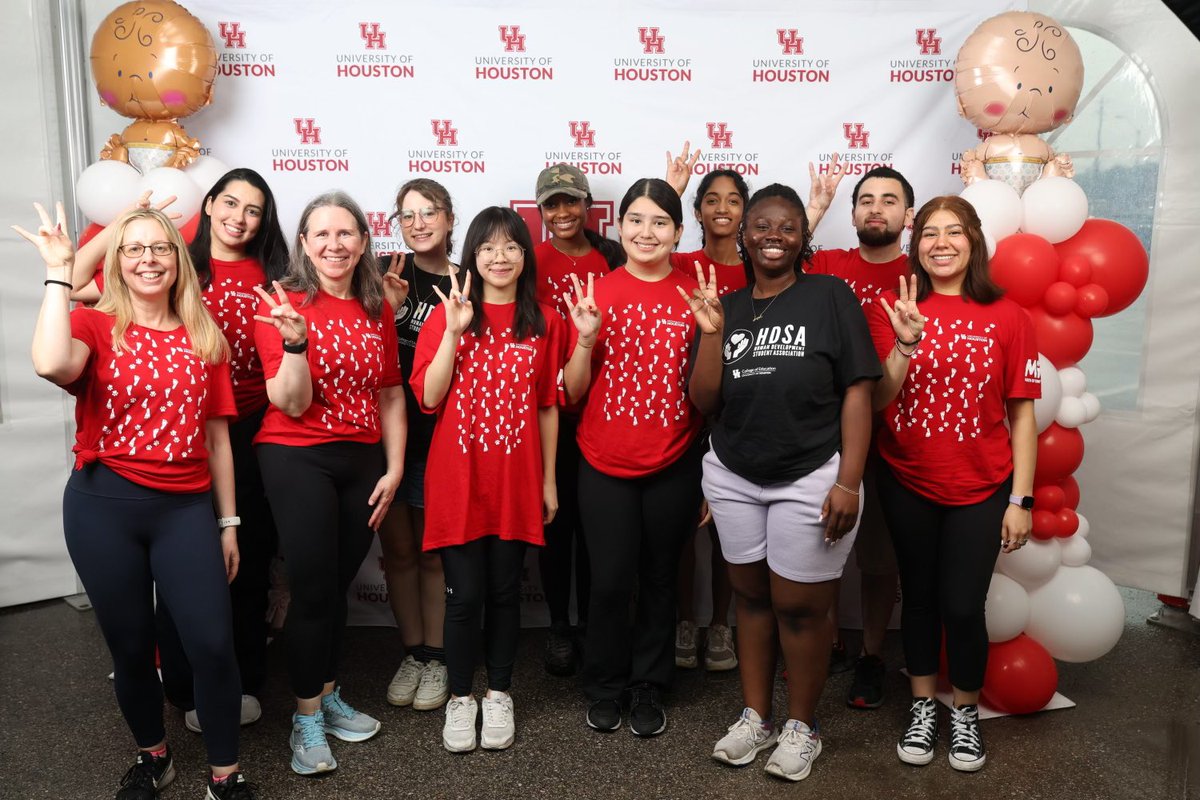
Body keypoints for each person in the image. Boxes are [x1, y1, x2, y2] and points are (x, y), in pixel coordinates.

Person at [15, 203, 259, 798]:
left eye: (160, 248)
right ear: (117, 262)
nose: (148, 259)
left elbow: (219, 438)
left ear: (177, 260)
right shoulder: (96, 325)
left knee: (211, 644)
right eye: (133, 249)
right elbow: (49, 362)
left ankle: (225, 776)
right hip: (103, 508)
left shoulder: (205, 336)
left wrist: (228, 523)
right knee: (129, 648)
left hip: (184, 512)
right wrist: (57, 271)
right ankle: (154, 757)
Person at [684, 184, 879, 781]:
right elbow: (703, 399)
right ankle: (755, 716)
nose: (774, 234)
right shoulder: (728, 305)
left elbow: (857, 389)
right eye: (761, 224)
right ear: (741, 235)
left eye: (787, 226)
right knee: (749, 598)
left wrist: (848, 481)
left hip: (812, 471)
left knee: (799, 604)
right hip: (734, 472)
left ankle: (802, 726)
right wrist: (713, 333)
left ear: (803, 238)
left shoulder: (829, 296)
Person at [869, 195, 1037, 772]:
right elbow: (878, 400)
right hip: (908, 479)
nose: (941, 243)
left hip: (983, 485)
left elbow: (1022, 415)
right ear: (916, 246)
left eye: (954, 232)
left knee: (963, 606)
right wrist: (905, 342)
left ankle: (963, 710)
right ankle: (922, 705)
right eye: (930, 234)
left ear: (974, 241)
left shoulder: (1009, 317)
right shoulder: (893, 310)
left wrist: (1021, 498)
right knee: (916, 599)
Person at [664, 149, 846, 672]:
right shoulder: (693, 273)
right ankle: (694, 629)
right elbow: (654, 239)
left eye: (733, 200)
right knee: (706, 547)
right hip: (705, 435)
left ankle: (725, 630)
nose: (724, 208)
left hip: (781, 442)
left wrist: (811, 210)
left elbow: (783, 243)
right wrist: (670, 192)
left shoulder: (798, 285)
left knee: (771, 579)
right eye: (712, 199)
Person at [253, 192, 407, 776]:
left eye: (346, 234)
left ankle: (328, 690)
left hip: (362, 458)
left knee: (337, 584)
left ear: (364, 242)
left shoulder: (376, 308)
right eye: (321, 234)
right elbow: (288, 402)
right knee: (314, 589)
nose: (334, 244)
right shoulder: (282, 302)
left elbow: (390, 391)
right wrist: (295, 341)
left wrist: (393, 467)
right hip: (296, 455)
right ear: (303, 243)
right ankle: (306, 716)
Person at [411, 206, 568, 753]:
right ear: (472, 256)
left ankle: (498, 693)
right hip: (457, 479)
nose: (500, 258)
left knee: (504, 594)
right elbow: (429, 397)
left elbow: (548, 405)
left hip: (516, 480)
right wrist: (454, 331)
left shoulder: (544, 321)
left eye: (511, 247)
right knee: (464, 597)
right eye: (487, 248)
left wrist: (548, 482)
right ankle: (460, 697)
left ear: (526, 256)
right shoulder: (448, 316)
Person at [563, 178, 703, 737]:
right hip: (602, 462)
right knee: (610, 581)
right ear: (619, 226)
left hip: (674, 459)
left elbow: (709, 390)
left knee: (661, 578)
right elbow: (571, 392)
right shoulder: (597, 291)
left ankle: (649, 683)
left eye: (660, 222)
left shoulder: (694, 294)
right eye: (637, 220)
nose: (647, 232)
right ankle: (605, 683)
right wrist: (584, 340)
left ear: (677, 231)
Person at [806, 166, 916, 705]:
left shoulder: (920, 272)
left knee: (878, 562)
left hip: (893, 447)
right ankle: (826, 644)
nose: (876, 208)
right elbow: (772, 261)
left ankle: (872, 654)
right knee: (816, 553)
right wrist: (813, 210)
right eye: (866, 200)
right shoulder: (827, 265)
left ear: (908, 216)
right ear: (851, 214)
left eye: (889, 200)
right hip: (823, 443)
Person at [531, 163, 624, 676]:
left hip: (601, 408)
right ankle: (559, 627)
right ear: (540, 211)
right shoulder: (530, 259)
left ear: (587, 204)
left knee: (594, 528)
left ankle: (592, 624)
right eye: (552, 204)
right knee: (555, 522)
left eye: (570, 202)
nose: (562, 212)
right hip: (548, 410)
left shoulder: (610, 257)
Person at [378, 178, 456, 712]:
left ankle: (437, 655)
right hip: (383, 433)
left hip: (439, 436)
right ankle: (412, 651)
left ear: (450, 218)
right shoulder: (386, 272)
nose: (419, 223)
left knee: (432, 555)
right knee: (398, 551)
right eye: (408, 215)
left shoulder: (467, 280)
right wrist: (386, 307)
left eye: (429, 212)